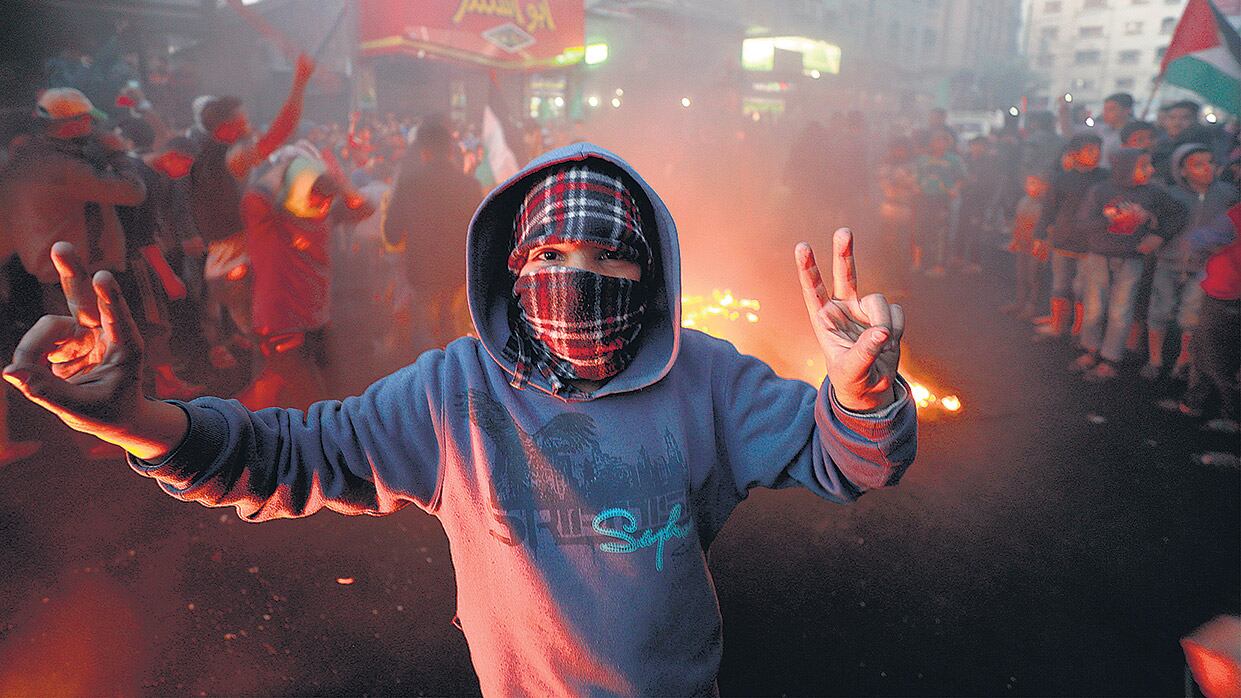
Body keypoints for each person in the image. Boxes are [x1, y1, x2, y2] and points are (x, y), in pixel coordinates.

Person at [2, 143, 917, 696]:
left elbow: (846, 460)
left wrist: (863, 392)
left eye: (610, 257)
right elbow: (293, 456)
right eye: (551, 251)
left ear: (652, 281)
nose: (576, 274)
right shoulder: (455, 394)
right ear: (513, 267)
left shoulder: (705, 375)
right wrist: (139, 422)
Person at [187, 54, 315, 370]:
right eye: (243, 120)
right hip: (240, 261)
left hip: (219, 266)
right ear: (228, 128)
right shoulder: (234, 156)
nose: (249, 124)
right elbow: (281, 130)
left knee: (257, 335)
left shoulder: (201, 160)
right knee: (269, 339)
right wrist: (299, 83)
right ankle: (281, 396)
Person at [235, 141, 374, 411]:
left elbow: (364, 208)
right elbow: (254, 195)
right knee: (308, 401)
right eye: (316, 197)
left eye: (326, 200)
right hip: (280, 324)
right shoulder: (268, 220)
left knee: (326, 394)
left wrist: (340, 183)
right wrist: (288, 167)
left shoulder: (322, 217)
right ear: (296, 187)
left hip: (316, 322)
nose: (322, 206)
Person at [0, 88, 146, 312]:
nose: (95, 129)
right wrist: (118, 153)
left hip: (50, 277)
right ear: (77, 123)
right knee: (106, 342)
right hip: (82, 278)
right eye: (91, 122)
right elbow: (132, 192)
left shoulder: (25, 159)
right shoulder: (65, 167)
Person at [1071, 148, 1187, 382]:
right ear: (1124, 168)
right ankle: (1090, 349)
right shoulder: (1100, 191)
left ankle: (1110, 358)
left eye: (1149, 165)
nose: (1151, 170)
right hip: (1098, 256)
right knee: (1093, 307)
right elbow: (1082, 223)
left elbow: (1178, 213)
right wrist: (1111, 218)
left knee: (1121, 311)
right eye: (1143, 166)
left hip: (1131, 258)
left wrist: (1159, 235)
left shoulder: (1153, 193)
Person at [1143, 144, 1241, 381]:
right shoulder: (1170, 195)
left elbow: (1233, 227)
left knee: (1191, 315)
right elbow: (1157, 225)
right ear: (1182, 170)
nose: (1207, 168)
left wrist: (1220, 243)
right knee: (1160, 310)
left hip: (1204, 265)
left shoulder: (1227, 195)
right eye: (1198, 164)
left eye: (1210, 162)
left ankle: (1183, 361)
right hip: (1168, 261)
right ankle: (1155, 359)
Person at [385, 121, 484, 349]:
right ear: (451, 150)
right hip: (460, 274)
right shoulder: (469, 185)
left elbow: (392, 233)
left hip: (422, 274)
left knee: (425, 338)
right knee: (457, 337)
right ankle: (458, 381)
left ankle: (429, 381)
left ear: (423, 151)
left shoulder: (409, 184)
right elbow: (481, 234)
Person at [1031, 133, 1108, 341]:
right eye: (1090, 150)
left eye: (1098, 149)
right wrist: (1040, 235)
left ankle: (1079, 329)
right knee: (1060, 285)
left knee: (1083, 289)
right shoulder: (1062, 179)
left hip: (1091, 243)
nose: (1097, 154)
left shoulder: (1106, 179)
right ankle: (1058, 325)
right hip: (1063, 241)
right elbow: (1049, 210)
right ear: (1074, 154)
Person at [1177, 203, 1241, 432]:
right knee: (1212, 351)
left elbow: (1204, 239)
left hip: (1224, 294)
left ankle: (1231, 414)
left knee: (1214, 356)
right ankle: (1195, 401)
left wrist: (1194, 240)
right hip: (1225, 292)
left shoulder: (1234, 217)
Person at [914, 126, 965, 278]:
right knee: (921, 229)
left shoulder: (954, 160)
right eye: (936, 141)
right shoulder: (923, 159)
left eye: (943, 141)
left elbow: (962, 178)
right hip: (924, 198)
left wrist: (955, 189)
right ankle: (920, 261)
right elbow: (917, 176)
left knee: (941, 232)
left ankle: (939, 265)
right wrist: (917, 186)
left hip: (943, 199)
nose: (939, 144)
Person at [1002, 173, 1049, 319]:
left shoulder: (1046, 205)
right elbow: (1018, 222)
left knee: (1034, 276)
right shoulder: (1023, 201)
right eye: (1028, 183)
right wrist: (1015, 240)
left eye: (1034, 183)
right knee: (1021, 274)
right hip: (1023, 244)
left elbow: (1048, 228)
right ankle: (1020, 302)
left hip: (1037, 246)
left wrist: (1043, 245)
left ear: (1044, 186)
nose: (1030, 187)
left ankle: (1032, 306)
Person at [1097, 92, 1134, 164]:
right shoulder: (1100, 130)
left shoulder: (1136, 133)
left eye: (1111, 109)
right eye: (1105, 109)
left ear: (1126, 110)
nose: (1105, 113)